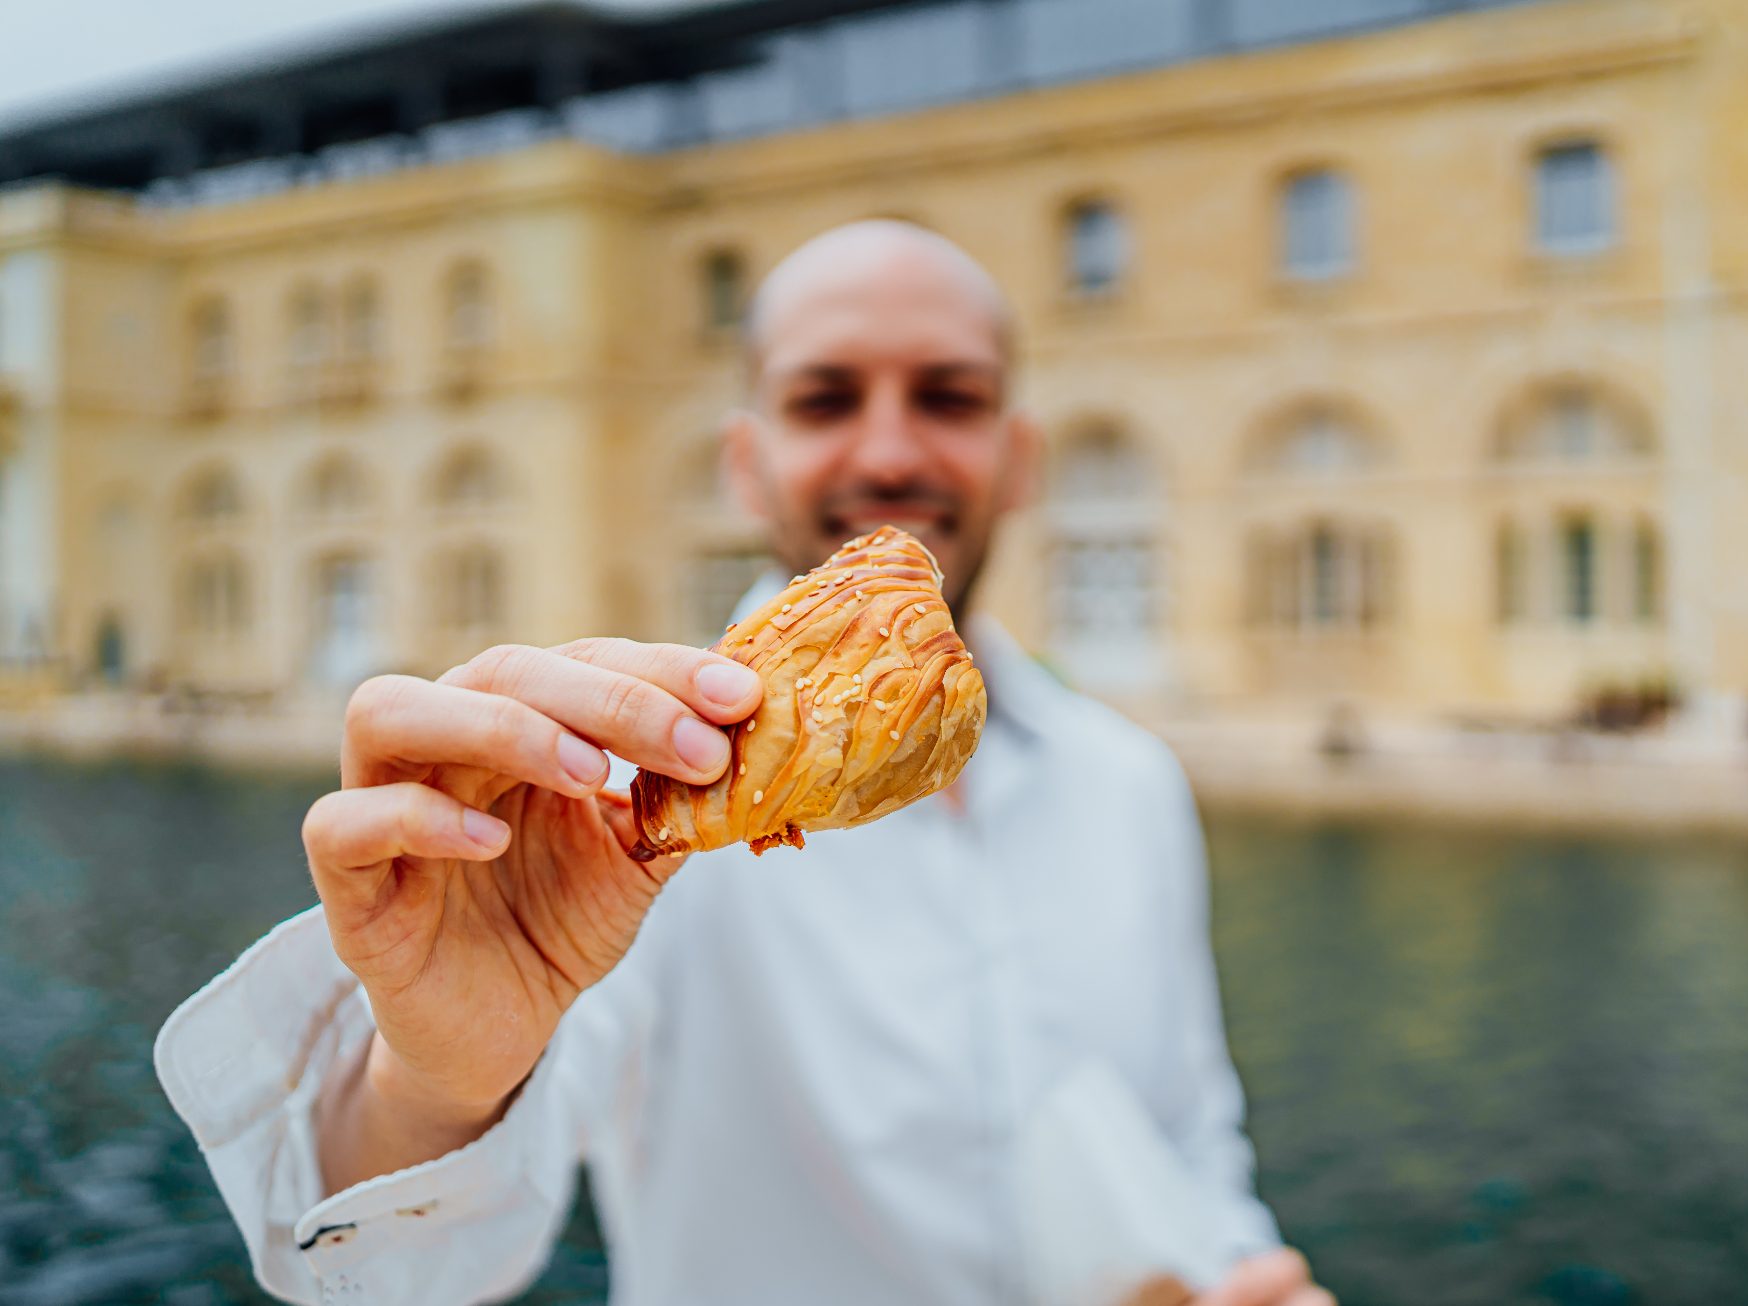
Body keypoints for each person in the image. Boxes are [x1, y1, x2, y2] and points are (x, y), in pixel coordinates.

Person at [155, 221, 1334, 1306]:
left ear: (1017, 456)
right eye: (824, 400)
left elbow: (1187, 1140)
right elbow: (420, 1257)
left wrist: (1241, 1269)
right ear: (744, 461)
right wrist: (436, 1076)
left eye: (947, 396)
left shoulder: (1128, 782)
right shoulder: (615, 803)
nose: (887, 448)